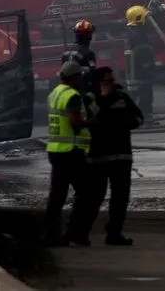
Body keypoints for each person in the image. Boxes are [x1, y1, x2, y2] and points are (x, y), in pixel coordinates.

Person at [81, 66, 143, 246]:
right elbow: (98, 118)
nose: (110, 84)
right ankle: (81, 232)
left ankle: (114, 233)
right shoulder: (90, 98)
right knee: (94, 197)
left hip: (122, 155)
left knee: (121, 197)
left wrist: (125, 124)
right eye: (105, 81)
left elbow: (138, 118)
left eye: (111, 80)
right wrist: (107, 101)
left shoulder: (122, 97)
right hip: (99, 156)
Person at [44, 61, 93, 246]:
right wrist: (92, 122)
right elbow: (75, 123)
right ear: (74, 77)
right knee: (86, 193)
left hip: (55, 150)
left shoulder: (54, 93)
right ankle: (74, 233)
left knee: (57, 196)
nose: (82, 78)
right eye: (79, 76)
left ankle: (52, 235)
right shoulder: (72, 96)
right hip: (71, 152)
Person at [123, 6, 156, 118]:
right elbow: (144, 54)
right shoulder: (138, 36)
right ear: (139, 19)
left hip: (137, 72)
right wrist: (150, 70)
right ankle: (146, 115)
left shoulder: (133, 33)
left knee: (141, 94)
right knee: (145, 94)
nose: (149, 21)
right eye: (146, 18)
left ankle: (142, 114)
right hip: (142, 73)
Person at [62, 20, 99, 97]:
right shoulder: (88, 53)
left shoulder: (66, 53)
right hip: (83, 94)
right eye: (90, 34)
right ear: (89, 36)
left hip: (68, 93)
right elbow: (93, 75)